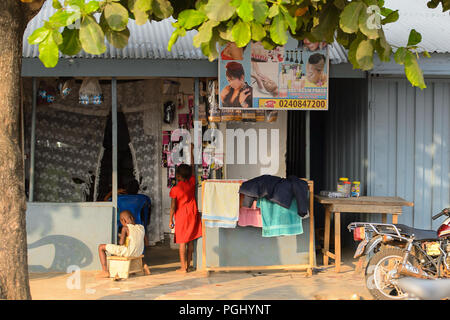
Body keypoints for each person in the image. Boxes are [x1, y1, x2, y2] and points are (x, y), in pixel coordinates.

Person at [169, 162, 202, 273]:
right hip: (192, 214)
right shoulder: (192, 183)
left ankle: (183, 268)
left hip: (182, 216)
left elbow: (173, 206)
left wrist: (170, 220)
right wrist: (192, 153)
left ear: (178, 176)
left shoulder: (175, 189)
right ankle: (188, 264)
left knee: (182, 242)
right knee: (191, 241)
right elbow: (192, 168)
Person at [97, 210, 150, 278]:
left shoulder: (125, 228)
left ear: (123, 221)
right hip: (139, 252)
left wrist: (121, 237)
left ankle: (104, 271)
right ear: (133, 218)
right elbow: (147, 243)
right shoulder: (141, 227)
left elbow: (121, 243)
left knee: (101, 247)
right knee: (133, 250)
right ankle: (144, 265)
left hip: (128, 252)